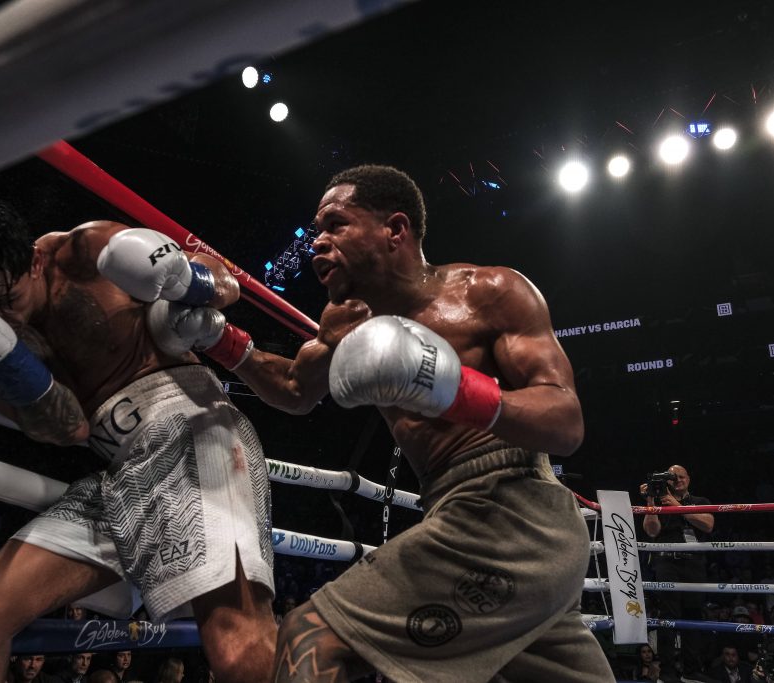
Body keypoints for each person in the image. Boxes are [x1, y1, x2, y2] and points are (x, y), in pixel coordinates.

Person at [149, 164, 615, 681]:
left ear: (395, 229)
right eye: (317, 231)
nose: (317, 244)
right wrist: (219, 339)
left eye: (335, 225)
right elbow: (295, 391)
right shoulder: (347, 320)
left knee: (310, 637)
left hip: (516, 508)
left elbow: (566, 421)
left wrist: (457, 390)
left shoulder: (490, 291)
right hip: (458, 511)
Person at [0, 191, 276, 682]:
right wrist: (4, 361)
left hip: (189, 434)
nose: (5, 319)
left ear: (33, 261)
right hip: (117, 474)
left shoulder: (86, 250)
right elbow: (65, 427)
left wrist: (189, 280)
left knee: (237, 646)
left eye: (9, 300)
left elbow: (225, 283)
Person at [641, 464, 715, 675]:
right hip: (667, 562)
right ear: (667, 482)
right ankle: (668, 672)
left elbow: (708, 524)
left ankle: (692, 670)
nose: (678, 480)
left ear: (689, 479)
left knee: (693, 614)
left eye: (682, 476)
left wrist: (677, 506)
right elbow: (652, 531)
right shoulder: (661, 503)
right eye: (673, 478)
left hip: (693, 563)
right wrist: (651, 500)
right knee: (668, 616)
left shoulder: (700, 502)